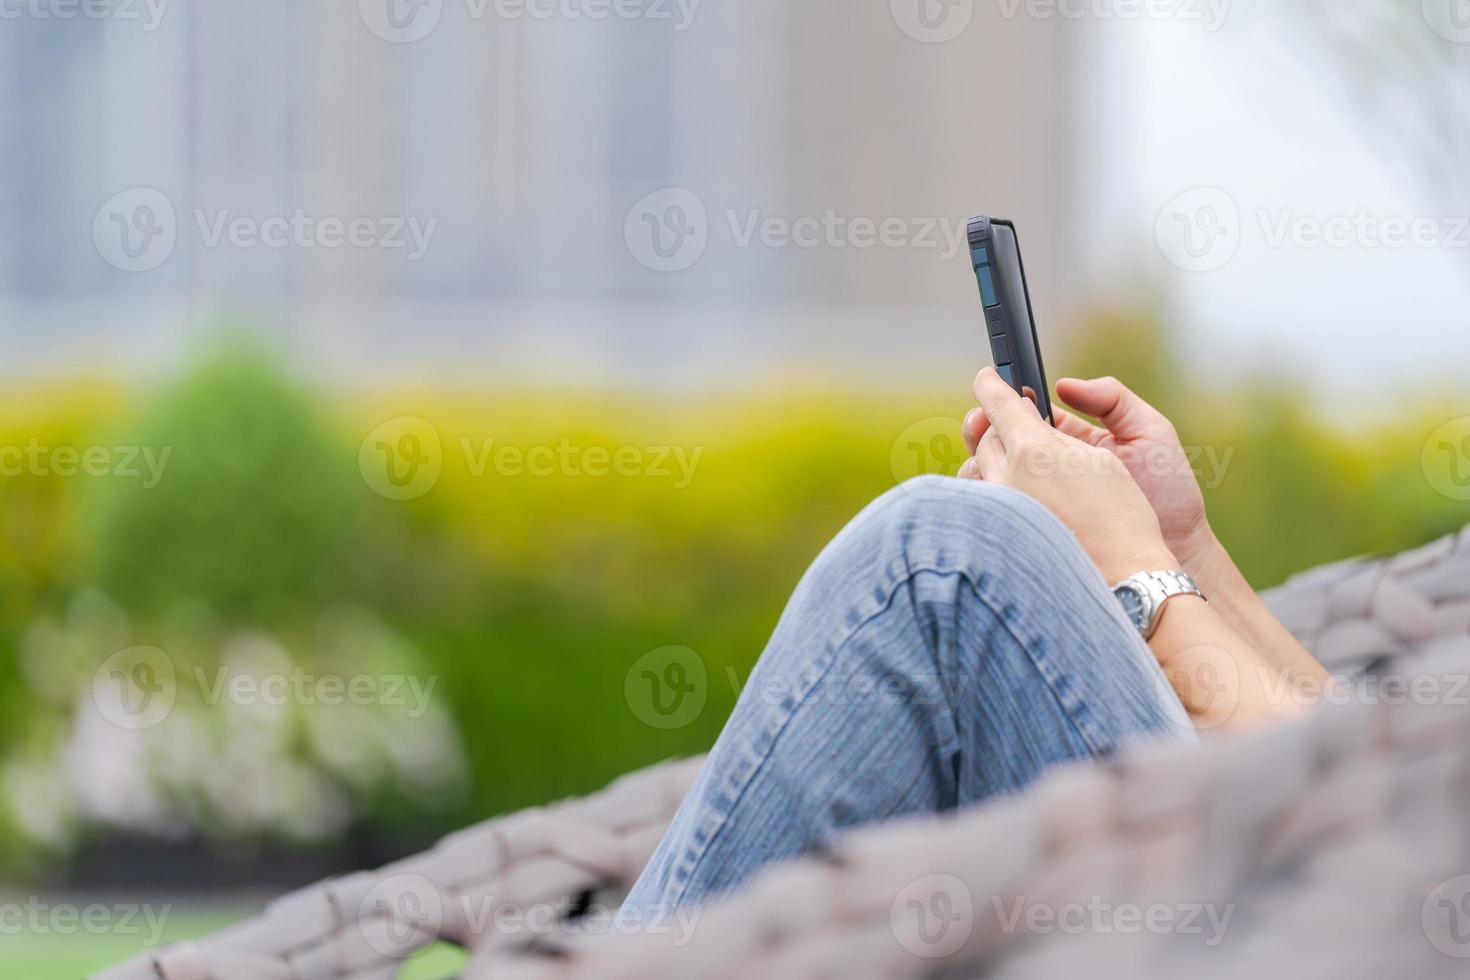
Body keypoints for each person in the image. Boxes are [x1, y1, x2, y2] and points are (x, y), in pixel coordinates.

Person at [620, 368, 1333, 917]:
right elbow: (1371, 747)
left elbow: (1358, 804)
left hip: (1300, 897)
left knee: (940, 557)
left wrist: (1125, 555)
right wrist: (1181, 543)